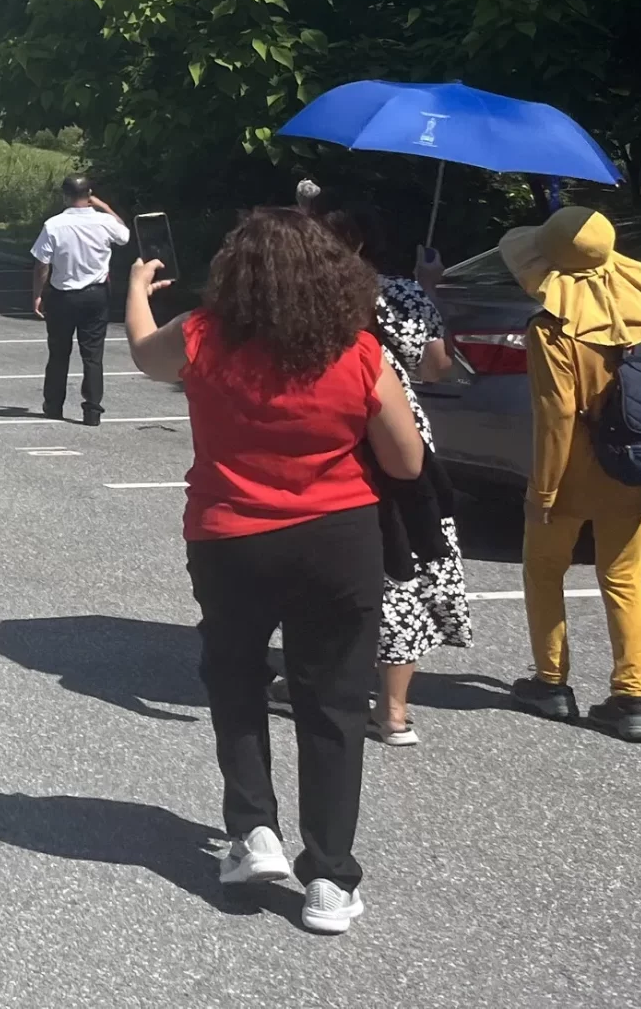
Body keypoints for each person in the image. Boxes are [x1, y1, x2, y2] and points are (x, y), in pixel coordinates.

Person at [123, 210, 423, 936]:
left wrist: (136, 286)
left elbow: (139, 353)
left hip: (232, 538)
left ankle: (253, 831)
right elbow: (407, 461)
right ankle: (328, 876)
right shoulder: (355, 351)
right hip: (337, 538)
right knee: (332, 704)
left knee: (235, 676)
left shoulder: (201, 337)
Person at [504, 207, 641, 743]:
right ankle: (630, 698)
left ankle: (551, 683)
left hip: (572, 474)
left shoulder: (551, 328)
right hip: (635, 471)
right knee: (624, 580)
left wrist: (543, 490)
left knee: (544, 569)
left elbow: (555, 417)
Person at [325, 206, 469, 746]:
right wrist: (426, 289)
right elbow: (437, 367)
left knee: (324, 552)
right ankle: (394, 711)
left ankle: (308, 677)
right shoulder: (402, 292)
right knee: (402, 556)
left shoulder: (303, 293)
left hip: (331, 431)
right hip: (398, 426)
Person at [31, 174, 128, 424]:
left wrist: (39, 294)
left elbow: (42, 263)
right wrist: (104, 206)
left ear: (65, 196)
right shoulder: (104, 221)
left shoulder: (54, 224)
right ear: (89, 195)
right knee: (93, 354)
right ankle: (93, 409)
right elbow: (124, 236)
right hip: (96, 295)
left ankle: (53, 406)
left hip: (63, 295)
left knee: (59, 353)